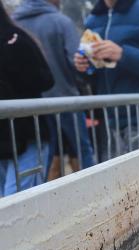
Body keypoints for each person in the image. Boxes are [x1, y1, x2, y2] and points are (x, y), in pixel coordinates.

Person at [73, 0, 139, 148]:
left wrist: (123, 54)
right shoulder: (93, 19)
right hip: (108, 121)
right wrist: (84, 67)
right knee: (112, 171)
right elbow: (97, 73)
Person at [13, 0, 95, 178]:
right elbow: (77, 62)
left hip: (30, 107)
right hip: (66, 100)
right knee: (83, 151)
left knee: (45, 157)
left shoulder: (14, 21)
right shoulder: (61, 22)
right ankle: (98, 192)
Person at [0, 1, 54, 195]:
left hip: (25, 136)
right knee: (14, 205)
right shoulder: (14, 38)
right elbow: (45, 80)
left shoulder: (15, 39)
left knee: (16, 203)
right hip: (15, 137)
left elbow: (45, 80)